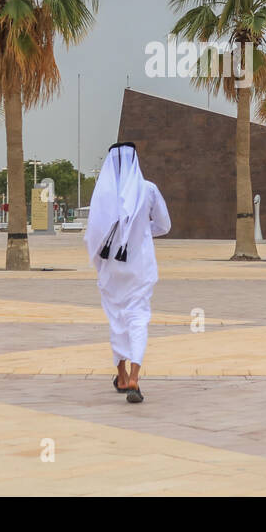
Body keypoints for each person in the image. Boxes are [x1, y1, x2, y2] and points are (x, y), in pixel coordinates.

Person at [85, 141, 170, 404]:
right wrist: (143, 232)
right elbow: (164, 225)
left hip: (112, 268)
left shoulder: (102, 193)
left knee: (116, 319)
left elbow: (92, 236)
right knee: (138, 317)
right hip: (140, 267)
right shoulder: (148, 189)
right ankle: (134, 376)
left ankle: (120, 375)